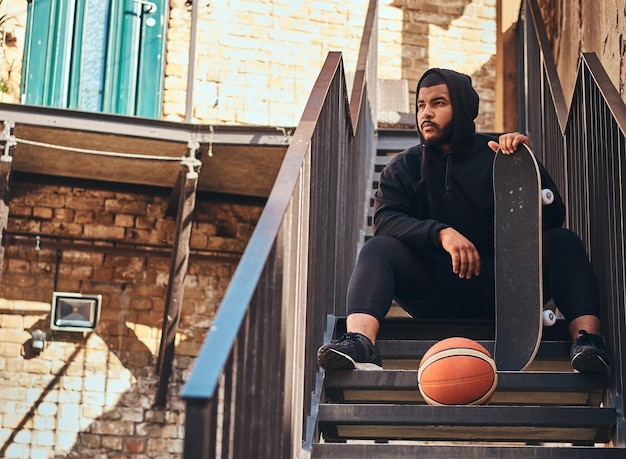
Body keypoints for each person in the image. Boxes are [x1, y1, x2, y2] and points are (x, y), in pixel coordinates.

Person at [317, 68, 610, 374]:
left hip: (503, 287)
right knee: (377, 248)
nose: (426, 113)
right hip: (433, 289)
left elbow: (553, 217)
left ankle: (587, 342)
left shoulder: (498, 155)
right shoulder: (404, 167)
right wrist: (440, 233)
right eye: (421, 105)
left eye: (438, 103)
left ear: (463, 108)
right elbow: (386, 220)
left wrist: (524, 171)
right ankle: (360, 342)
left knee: (563, 241)